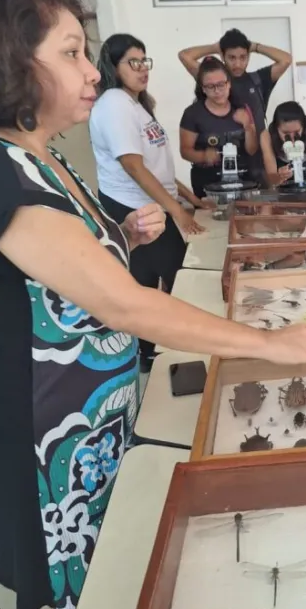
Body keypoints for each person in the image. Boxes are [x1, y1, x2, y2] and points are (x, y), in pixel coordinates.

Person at [0, 0, 306, 609]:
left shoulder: (43, 159)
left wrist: (126, 236)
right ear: (9, 62)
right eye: (70, 54)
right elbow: (120, 302)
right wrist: (268, 344)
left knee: (108, 587)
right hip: (49, 445)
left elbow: (69, 271)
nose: (92, 72)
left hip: (93, 422)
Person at [90, 34, 200, 370]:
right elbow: (133, 166)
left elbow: (156, 167)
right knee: (165, 281)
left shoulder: (137, 104)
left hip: (155, 204)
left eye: (144, 61)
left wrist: (190, 198)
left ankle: (160, 350)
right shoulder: (113, 103)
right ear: (113, 66)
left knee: (175, 277)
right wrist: (177, 210)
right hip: (133, 210)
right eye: (132, 62)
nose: (142, 69)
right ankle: (151, 355)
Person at [178, 29, 292, 135]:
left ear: (248, 56)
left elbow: (286, 59)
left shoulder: (259, 79)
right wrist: (215, 47)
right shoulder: (212, 77)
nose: (237, 64)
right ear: (222, 56)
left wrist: (255, 47)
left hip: (257, 152)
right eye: (232, 58)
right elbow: (184, 56)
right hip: (222, 151)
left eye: (243, 57)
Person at [179, 57, 257, 198]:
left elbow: (252, 150)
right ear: (203, 88)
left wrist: (248, 126)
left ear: (229, 84)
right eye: (210, 86)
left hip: (242, 180)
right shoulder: (193, 113)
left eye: (221, 84)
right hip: (208, 182)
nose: (217, 91)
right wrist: (203, 156)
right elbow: (185, 151)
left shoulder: (242, 108)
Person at [261, 100, 306, 186]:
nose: (292, 138)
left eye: (297, 132)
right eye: (286, 134)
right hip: (284, 178)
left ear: (303, 126)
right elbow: (271, 178)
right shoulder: (267, 136)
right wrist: (279, 177)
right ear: (277, 128)